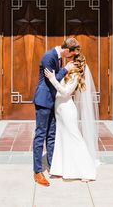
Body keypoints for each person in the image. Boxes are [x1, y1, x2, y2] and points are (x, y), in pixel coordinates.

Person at [44, 53, 99, 181]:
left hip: (67, 110)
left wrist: (52, 78)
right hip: (60, 110)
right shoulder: (68, 73)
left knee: (75, 138)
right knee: (61, 138)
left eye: (70, 61)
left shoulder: (75, 75)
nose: (66, 63)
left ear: (75, 63)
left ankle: (88, 172)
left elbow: (66, 92)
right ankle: (60, 169)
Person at [33, 38, 79, 186]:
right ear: (67, 50)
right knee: (40, 135)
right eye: (71, 54)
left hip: (52, 100)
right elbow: (51, 81)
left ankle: (53, 165)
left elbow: (56, 79)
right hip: (43, 100)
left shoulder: (58, 57)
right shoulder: (49, 57)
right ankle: (37, 171)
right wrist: (65, 69)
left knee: (51, 134)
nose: (70, 58)